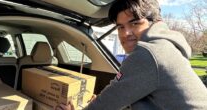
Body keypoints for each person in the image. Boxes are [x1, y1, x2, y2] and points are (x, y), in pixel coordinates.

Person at [56, 0, 207, 109]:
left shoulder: (149, 53)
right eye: (120, 27)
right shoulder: (165, 46)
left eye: (135, 23)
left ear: (154, 22)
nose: (126, 33)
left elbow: (108, 102)